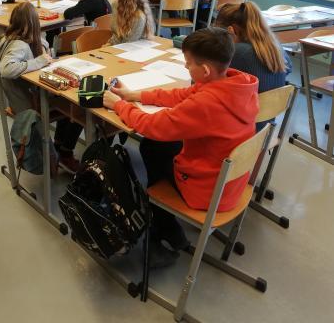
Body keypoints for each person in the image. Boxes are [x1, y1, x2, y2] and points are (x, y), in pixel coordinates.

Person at [103, 27, 258, 267]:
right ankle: (165, 226)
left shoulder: (206, 103)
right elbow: (182, 95)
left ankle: (164, 226)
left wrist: (119, 106)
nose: (186, 67)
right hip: (232, 183)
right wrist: (135, 95)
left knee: (151, 146)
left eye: (188, 64)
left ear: (205, 70)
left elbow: (151, 125)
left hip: (208, 192)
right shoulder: (236, 85)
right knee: (162, 145)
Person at [0, 1, 83, 173]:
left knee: (69, 103)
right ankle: (64, 151)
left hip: (28, 96)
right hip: (30, 103)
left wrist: (43, 49)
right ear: (33, 23)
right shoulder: (19, 44)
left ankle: (60, 148)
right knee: (76, 106)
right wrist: (39, 61)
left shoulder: (11, 39)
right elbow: (6, 68)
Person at [215, 2, 292, 128]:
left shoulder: (239, 52)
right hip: (264, 128)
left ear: (231, 30)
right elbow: (289, 69)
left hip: (241, 128)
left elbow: (210, 84)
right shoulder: (275, 46)